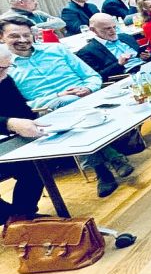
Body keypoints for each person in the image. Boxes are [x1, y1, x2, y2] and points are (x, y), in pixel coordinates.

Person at [1, 17, 134, 196]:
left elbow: (92, 76)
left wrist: (87, 88)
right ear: (2, 37)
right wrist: (57, 97)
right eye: (15, 36)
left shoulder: (56, 49)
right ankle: (112, 158)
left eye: (26, 34)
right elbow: (21, 106)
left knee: (69, 104)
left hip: (87, 100)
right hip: (47, 112)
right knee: (63, 103)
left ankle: (102, 170)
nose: (23, 40)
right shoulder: (5, 67)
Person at [0, 44, 45, 225]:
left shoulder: (4, 79)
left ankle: (21, 217)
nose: (5, 74)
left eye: (7, 67)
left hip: (6, 145)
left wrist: (34, 121)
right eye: (0, 69)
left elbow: (22, 111)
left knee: (35, 164)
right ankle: (14, 219)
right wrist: (8, 123)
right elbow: (12, 121)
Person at [76, 13, 151, 80]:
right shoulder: (87, 52)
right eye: (107, 28)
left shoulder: (125, 37)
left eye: (114, 27)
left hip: (146, 67)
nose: (113, 31)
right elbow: (97, 77)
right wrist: (118, 64)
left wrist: (147, 56)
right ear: (93, 30)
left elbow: (144, 55)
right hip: (126, 76)